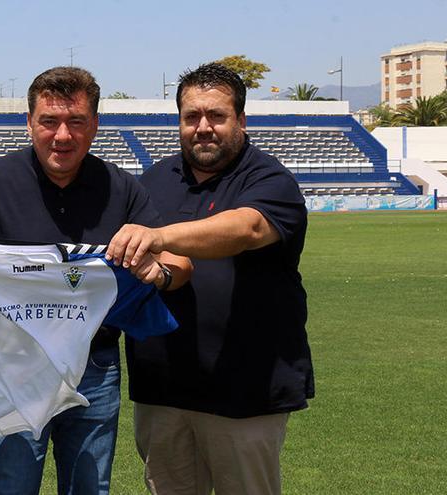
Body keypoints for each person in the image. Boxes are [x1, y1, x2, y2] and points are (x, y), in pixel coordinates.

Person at [0, 66, 190, 495]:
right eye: (49, 122)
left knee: (90, 488)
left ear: (95, 124)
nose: (62, 135)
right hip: (10, 365)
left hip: (95, 365)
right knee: (11, 487)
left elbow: (178, 264)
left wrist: (158, 272)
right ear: (29, 123)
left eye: (76, 122)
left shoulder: (121, 188)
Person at [106, 63, 314, 495]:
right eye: (191, 116)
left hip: (247, 391)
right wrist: (156, 270)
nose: (203, 127)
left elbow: (247, 229)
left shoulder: (269, 178)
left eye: (216, 116)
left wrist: (159, 236)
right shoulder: (153, 180)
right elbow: (157, 267)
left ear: (240, 119)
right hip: (163, 389)